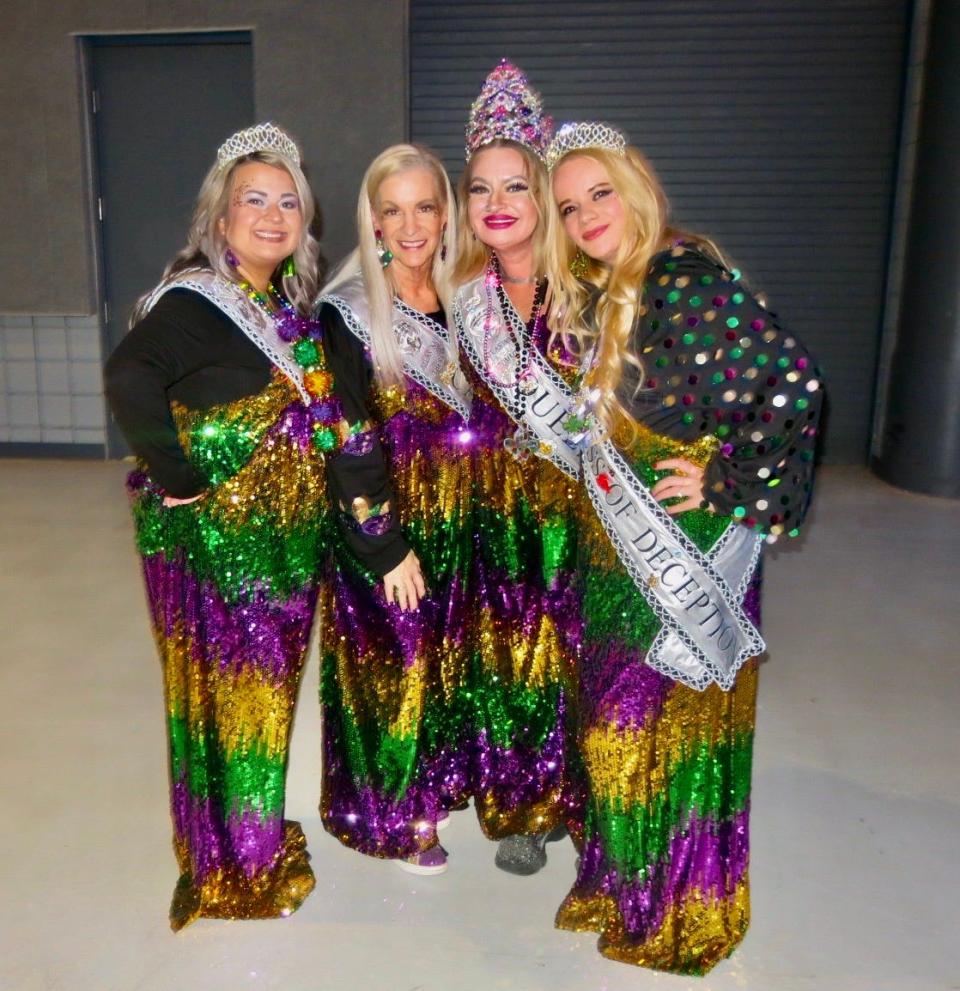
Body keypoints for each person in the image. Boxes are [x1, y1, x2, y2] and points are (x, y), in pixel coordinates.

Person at [543, 122, 822, 973]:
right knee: (619, 724)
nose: (588, 214)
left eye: (600, 192)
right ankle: (628, 881)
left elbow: (791, 384)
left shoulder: (682, 279)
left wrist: (729, 484)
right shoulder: (611, 284)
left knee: (651, 728)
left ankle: (675, 903)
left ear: (635, 186)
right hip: (621, 547)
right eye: (569, 205)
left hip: (681, 548)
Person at [104, 123, 347, 929]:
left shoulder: (276, 301)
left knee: (260, 701)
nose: (274, 215)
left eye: (289, 202)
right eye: (255, 200)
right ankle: (235, 862)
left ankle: (240, 836)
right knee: (234, 700)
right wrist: (178, 476)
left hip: (278, 547)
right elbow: (130, 375)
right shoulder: (197, 299)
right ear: (220, 216)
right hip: (225, 549)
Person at [316, 144, 472, 875]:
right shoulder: (348, 313)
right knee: (397, 667)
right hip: (385, 523)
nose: (411, 225)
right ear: (372, 220)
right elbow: (347, 438)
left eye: (425, 206)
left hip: (462, 518)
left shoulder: (469, 295)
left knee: (446, 663)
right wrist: (382, 543)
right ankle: (401, 814)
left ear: (447, 214)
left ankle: (441, 783)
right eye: (392, 209)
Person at [451, 60, 583, 875]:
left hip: (586, 503)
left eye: (515, 186)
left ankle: (581, 789)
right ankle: (523, 804)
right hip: (498, 506)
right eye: (479, 188)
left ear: (543, 195)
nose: (496, 204)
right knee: (511, 654)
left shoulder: (596, 288)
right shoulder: (459, 293)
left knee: (585, 651)